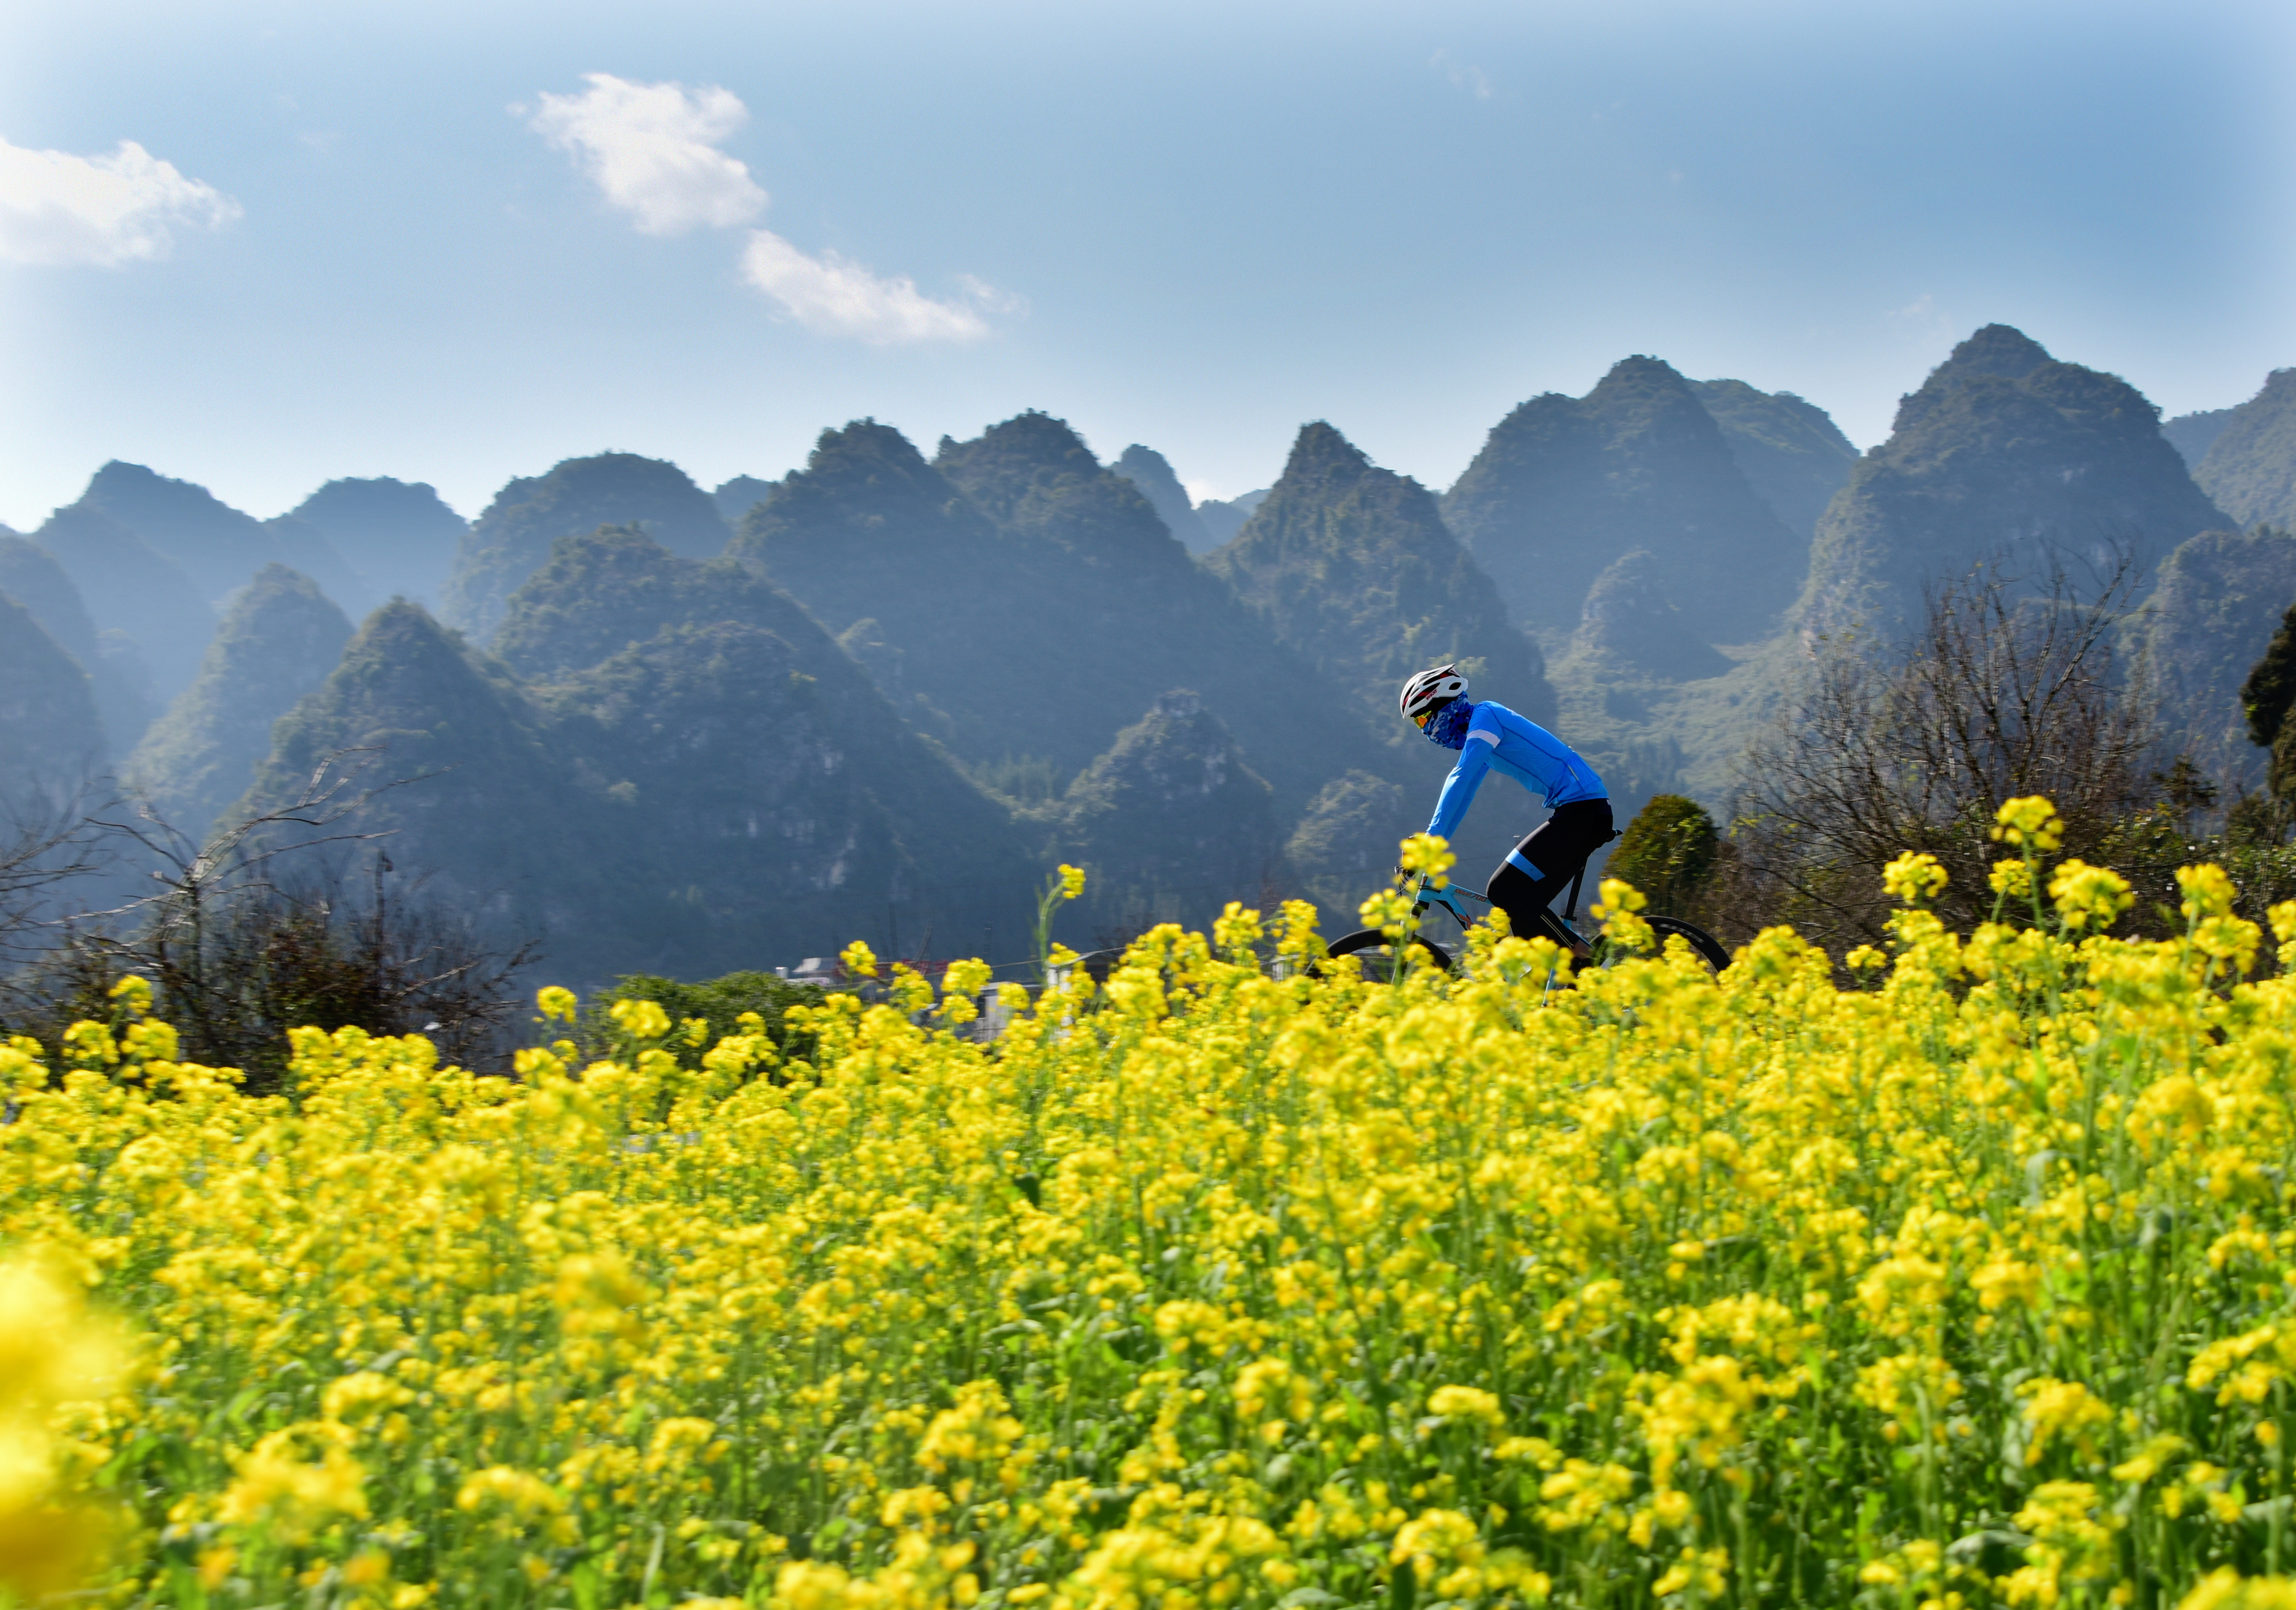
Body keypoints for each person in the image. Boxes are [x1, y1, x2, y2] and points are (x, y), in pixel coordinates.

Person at [1398, 663, 1610, 959]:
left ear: (1444, 705)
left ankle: (1588, 956)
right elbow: (1465, 793)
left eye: (1422, 720)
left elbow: (1460, 777)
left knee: (1503, 890)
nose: (1425, 731)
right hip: (1579, 813)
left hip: (1582, 812)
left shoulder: (1487, 717)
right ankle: (1565, 987)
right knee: (1523, 921)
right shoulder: (1481, 732)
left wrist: (1431, 839)